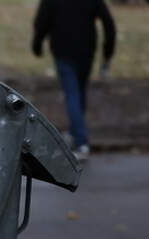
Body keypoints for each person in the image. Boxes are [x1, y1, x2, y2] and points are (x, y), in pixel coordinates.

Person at [33, 0, 116, 161]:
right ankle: (75, 132)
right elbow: (108, 23)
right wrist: (107, 52)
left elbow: (42, 20)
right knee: (79, 91)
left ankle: (81, 142)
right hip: (86, 50)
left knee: (72, 94)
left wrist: (37, 43)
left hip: (62, 49)